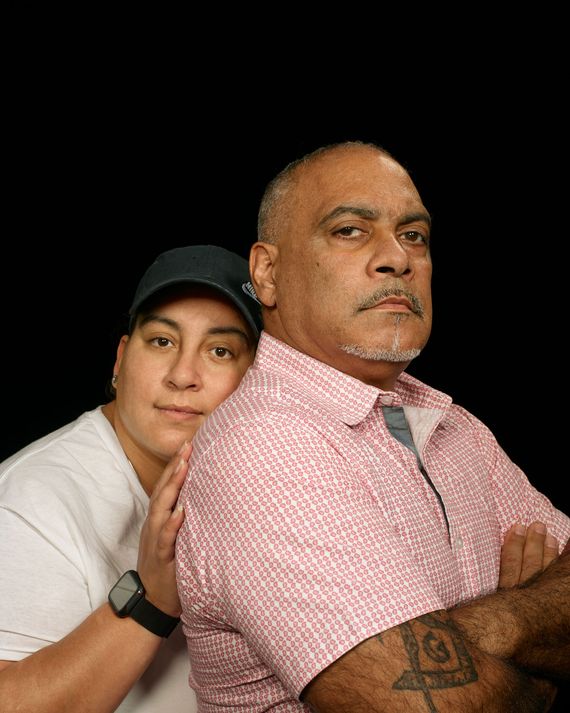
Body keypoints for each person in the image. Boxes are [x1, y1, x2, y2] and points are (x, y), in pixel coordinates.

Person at [175, 142, 570, 712]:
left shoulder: (455, 426)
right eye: (350, 231)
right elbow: (441, 706)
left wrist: (502, 624)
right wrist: (544, 665)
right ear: (268, 273)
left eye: (414, 235)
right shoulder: (263, 446)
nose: (397, 258)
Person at [0, 245, 262, 713]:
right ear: (121, 360)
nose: (182, 375)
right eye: (162, 341)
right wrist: (150, 599)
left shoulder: (263, 482)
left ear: (256, 380)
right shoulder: (32, 501)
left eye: (219, 351)